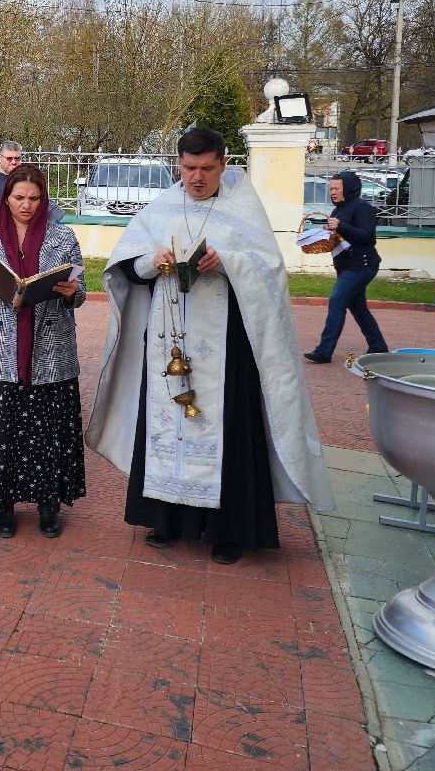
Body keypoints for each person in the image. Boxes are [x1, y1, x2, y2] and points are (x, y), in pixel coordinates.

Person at [86, 127, 334, 566]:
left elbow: (268, 270)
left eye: (205, 168)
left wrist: (227, 261)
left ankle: (228, 532)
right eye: (188, 168)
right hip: (168, 342)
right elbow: (128, 268)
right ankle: (165, 521)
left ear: (223, 163)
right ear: (177, 165)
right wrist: (152, 259)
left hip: (226, 346)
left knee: (229, 429)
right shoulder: (161, 206)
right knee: (168, 427)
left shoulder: (243, 207)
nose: (196, 177)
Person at [0, 164, 86, 539]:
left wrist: (69, 291)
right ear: (6, 199)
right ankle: (3, 506)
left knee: (48, 432)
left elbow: (79, 291)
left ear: (44, 199)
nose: (26, 205)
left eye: (34, 198)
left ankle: (49, 505)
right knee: (3, 431)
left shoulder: (63, 237)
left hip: (50, 348)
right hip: (0, 347)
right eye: (18, 198)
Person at [303, 170, 388, 364]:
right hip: (346, 266)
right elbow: (342, 236)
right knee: (358, 308)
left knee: (337, 300)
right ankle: (378, 346)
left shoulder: (362, 208)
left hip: (362, 265)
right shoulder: (338, 210)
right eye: (331, 188)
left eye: (336, 188)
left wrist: (340, 226)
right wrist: (326, 233)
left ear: (348, 188)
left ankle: (324, 351)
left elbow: (367, 236)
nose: (332, 192)